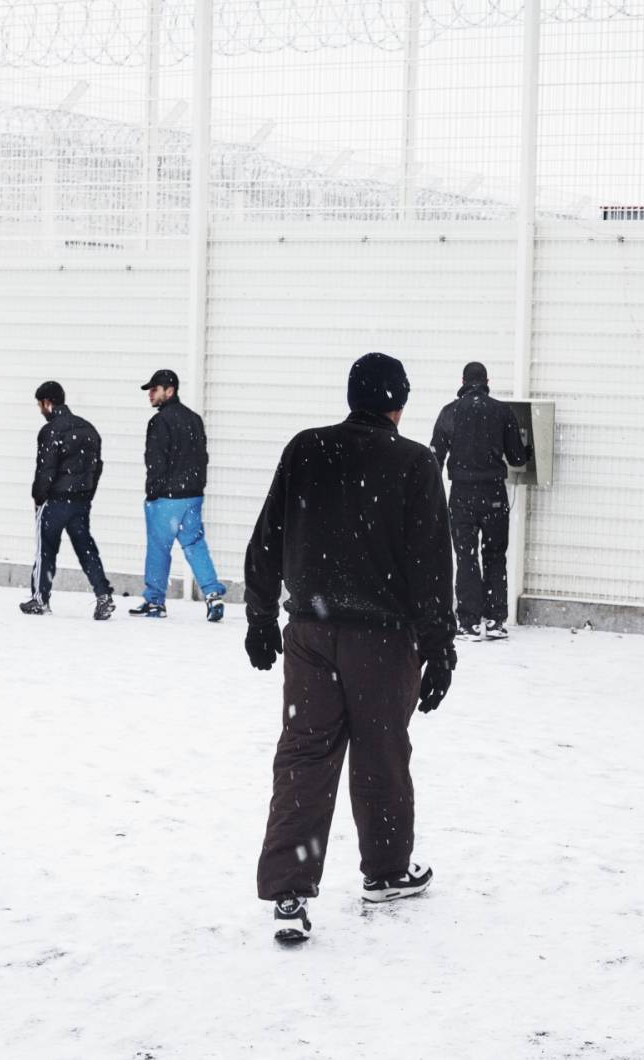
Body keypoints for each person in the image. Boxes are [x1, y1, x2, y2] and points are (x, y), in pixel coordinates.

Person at [244, 352, 457, 944]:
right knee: (381, 755)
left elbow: (267, 538)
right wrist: (440, 647)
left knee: (304, 756)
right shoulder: (414, 463)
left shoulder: (305, 449)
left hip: (309, 636)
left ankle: (289, 889)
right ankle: (386, 874)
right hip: (383, 643)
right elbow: (432, 566)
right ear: (399, 403)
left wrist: (261, 616)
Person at [430, 361, 531, 641]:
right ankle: (496, 622)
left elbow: (434, 458)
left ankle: (468, 622)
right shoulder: (502, 411)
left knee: (466, 556)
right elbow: (517, 459)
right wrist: (528, 451)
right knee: (495, 556)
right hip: (494, 494)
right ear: (487, 380)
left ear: (463, 380)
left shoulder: (449, 412)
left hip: (461, 495)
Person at [133, 369, 226, 621]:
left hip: (167, 498)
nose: (150, 394)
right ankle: (212, 594)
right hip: (193, 495)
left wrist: (153, 492)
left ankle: (155, 602)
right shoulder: (194, 419)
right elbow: (202, 457)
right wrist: (198, 487)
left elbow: (155, 461)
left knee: (159, 548)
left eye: (155, 389)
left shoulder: (160, 422)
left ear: (169, 390)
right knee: (195, 545)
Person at [20, 381, 115, 620]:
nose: (40, 411)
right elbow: (97, 467)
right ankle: (103, 595)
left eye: (40, 405)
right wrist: (87, 495)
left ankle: (41, 599)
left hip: (55, 501)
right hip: (80, 502)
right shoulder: (89, 429)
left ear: (47, 402)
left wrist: (39, 498)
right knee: (87, 550)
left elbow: (45, 470)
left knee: (46, 551)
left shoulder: (51, 431)